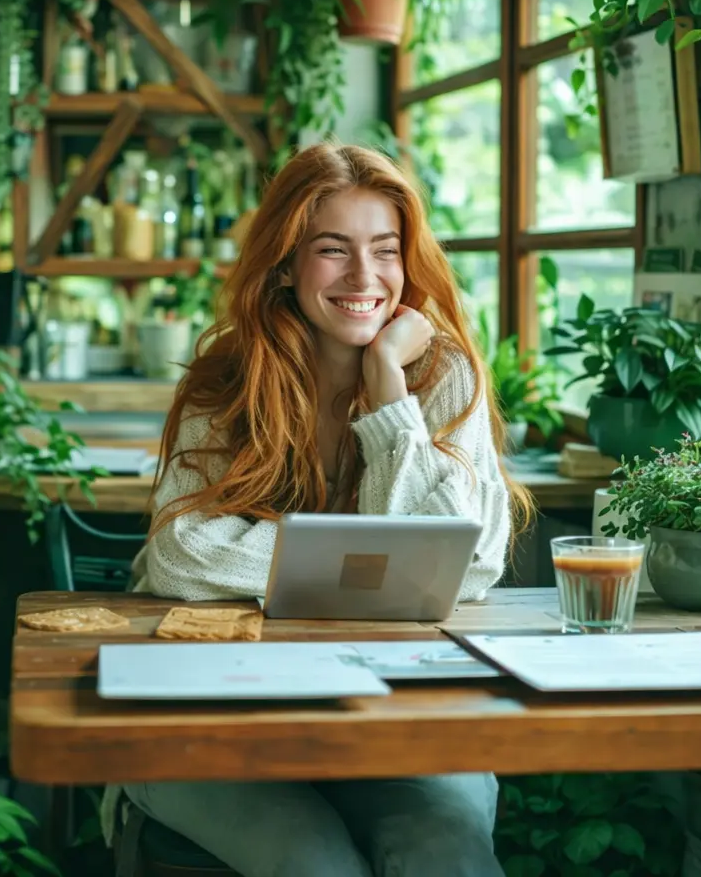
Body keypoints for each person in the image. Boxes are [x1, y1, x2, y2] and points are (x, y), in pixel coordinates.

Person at [111, 143, 531, 876]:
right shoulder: (226, 379)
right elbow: (181, 552)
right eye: (333, 250)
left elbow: (473, 560)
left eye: (385, 251)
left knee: (447, 851)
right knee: (314, 863)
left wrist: (388, 393)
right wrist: (366, 571)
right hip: (208, 710)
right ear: (284, 264)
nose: (364, 277)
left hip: (391, 709)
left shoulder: (445, 375)